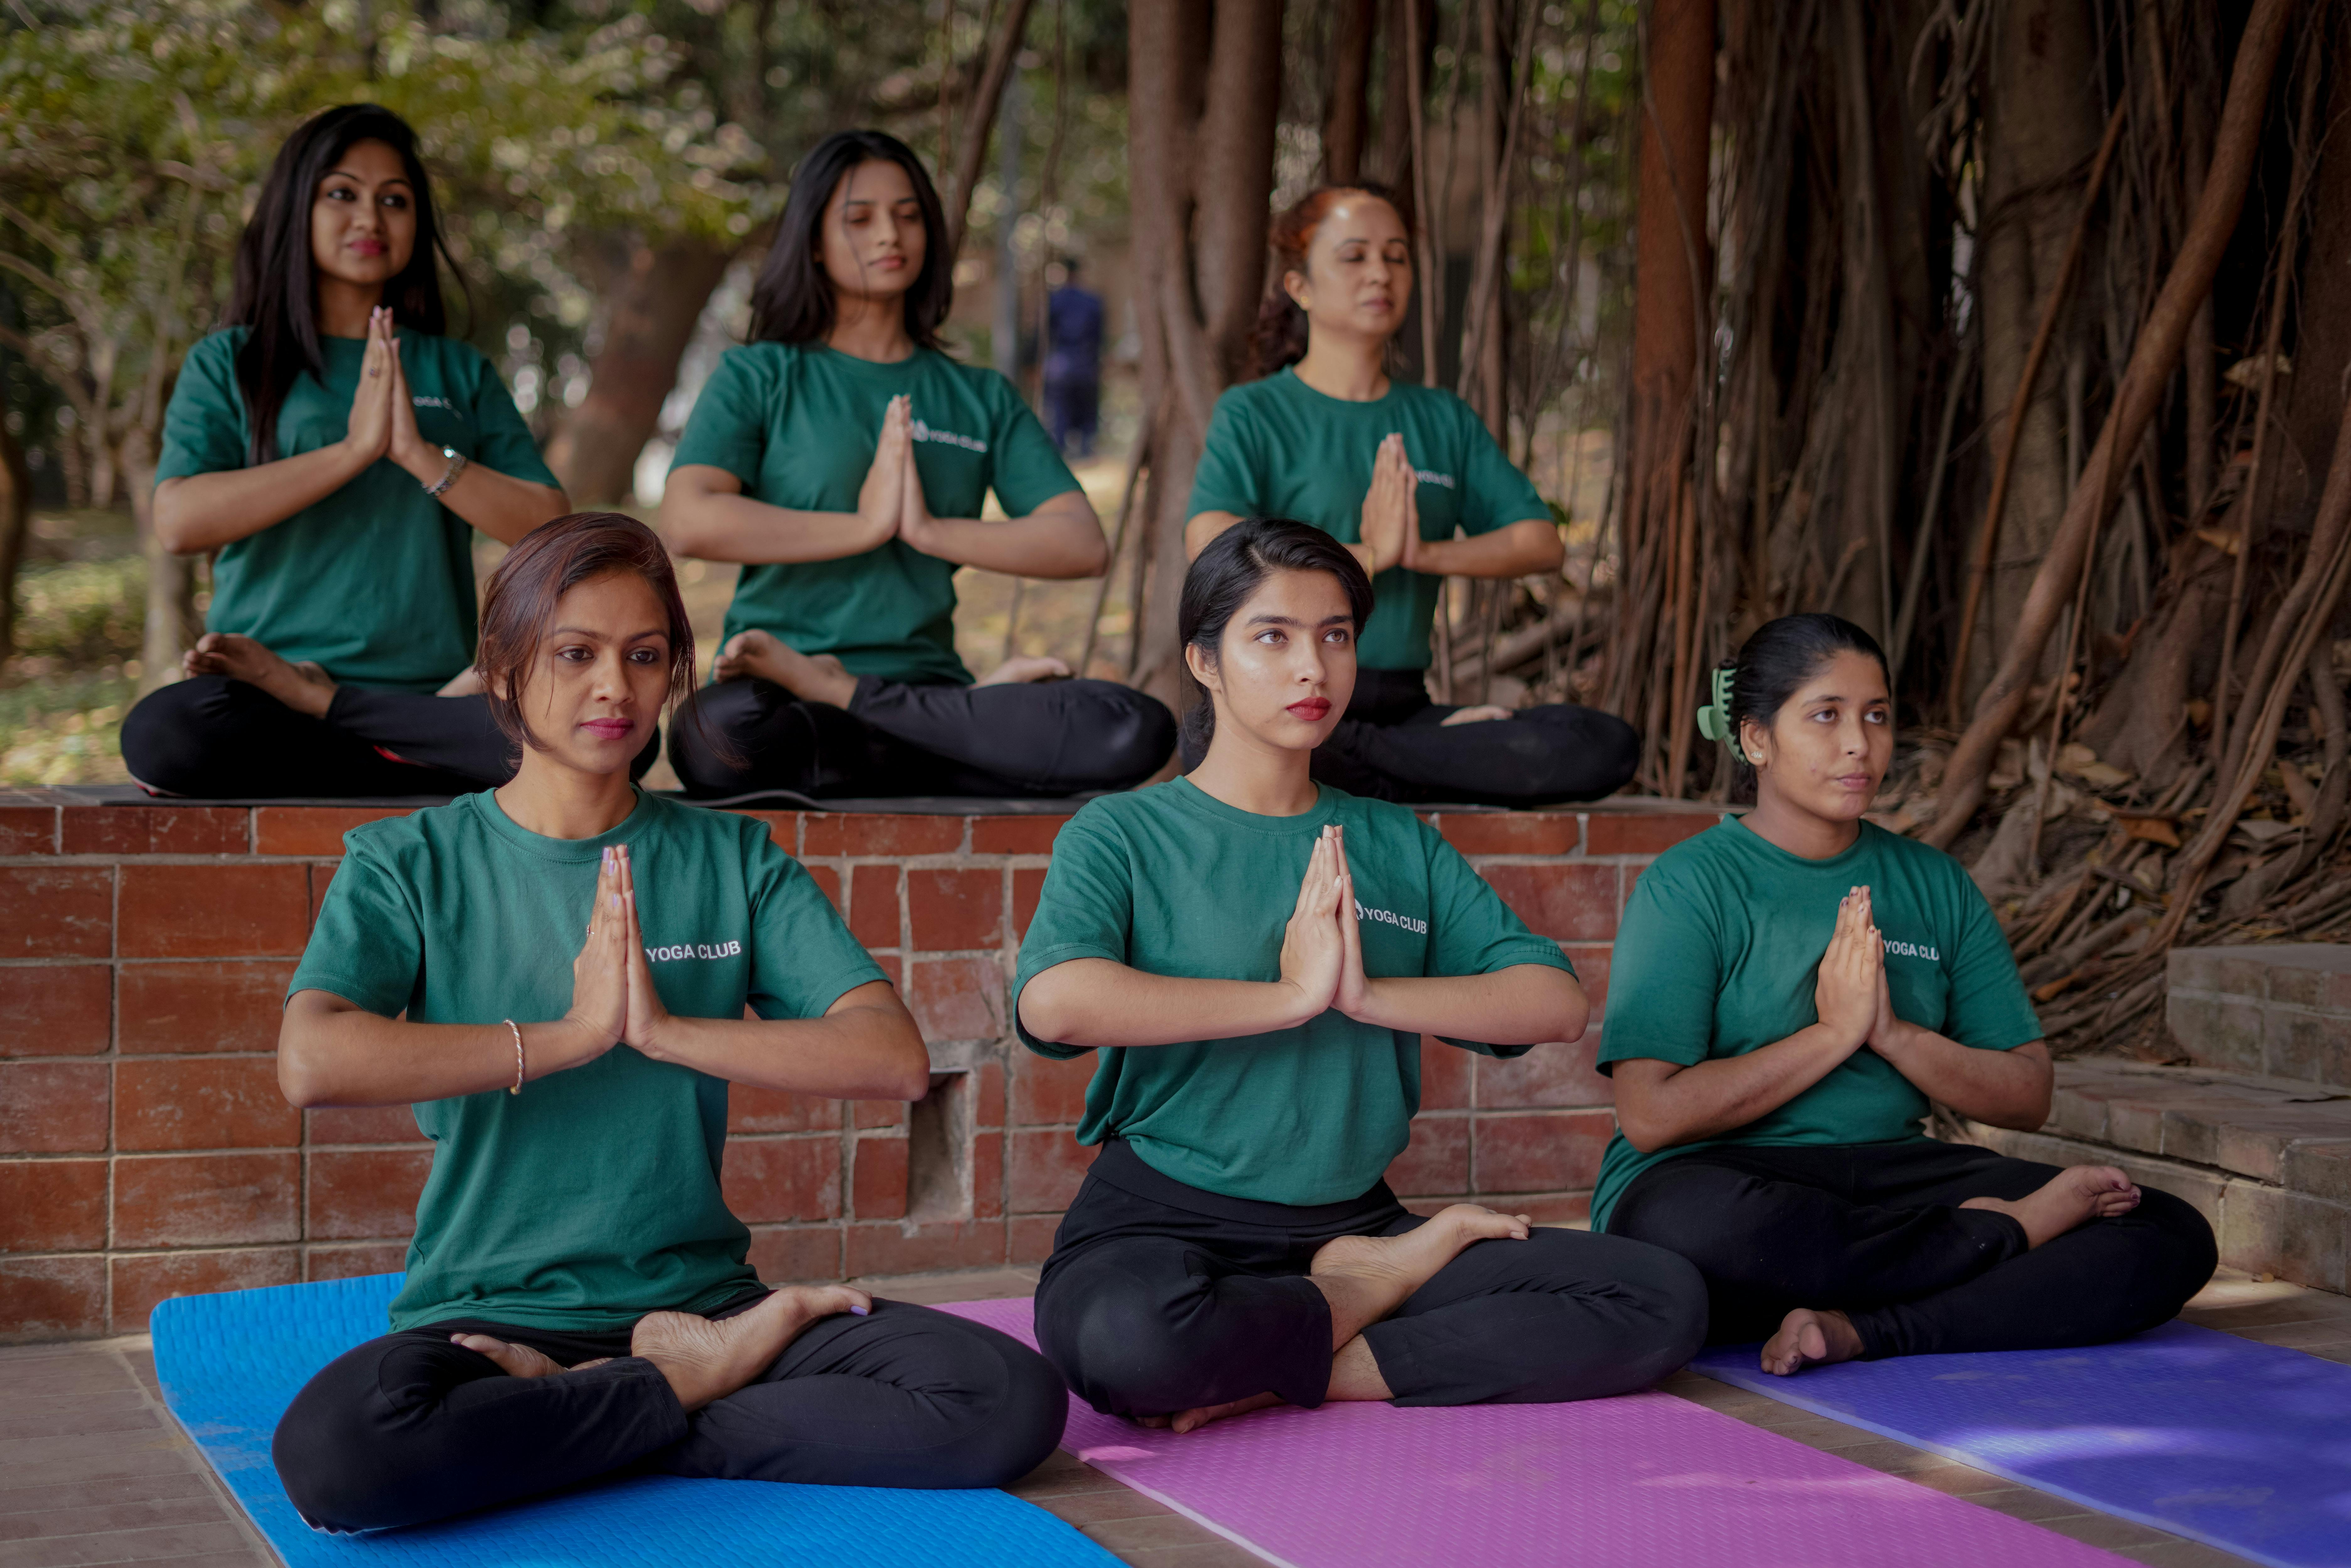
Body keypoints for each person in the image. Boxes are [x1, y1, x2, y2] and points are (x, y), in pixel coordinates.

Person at [267, 513, 1066, 1531]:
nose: (616, 686)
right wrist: (573, 1032)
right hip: (488, 1309)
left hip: (703, 1302)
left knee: (1004, 1397)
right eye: (576, 654)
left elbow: (893, 1058)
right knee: (338, 1456)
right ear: (504, 670)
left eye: (645, 656)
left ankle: (601, 1406)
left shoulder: (732, 859)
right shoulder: (408, 860)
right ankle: (673, 1390)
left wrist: (663, 1027)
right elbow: (312, 1057)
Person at [1014, 516, 1707, 1432]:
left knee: (1659, 1297)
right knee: (1127, 1342)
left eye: (1334, 636)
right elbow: (1057, 999)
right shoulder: (1124, 833)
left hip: (1358, 1226)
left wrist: (1363, 993)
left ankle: (1317, 1351)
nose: (1314, 668)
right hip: (1165, 1227)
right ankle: (1343, 1308)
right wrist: (1288, 998)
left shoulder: (1393, 840)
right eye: (1274, 637)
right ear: (1205, 661)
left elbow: (1553, 1000)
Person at [1593, 613, 2217, 1376]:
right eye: (1826, 715)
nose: (1859, 742)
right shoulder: (1690, 883)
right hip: (1724, 1178)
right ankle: (1992, 1242)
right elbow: (1651, 1114)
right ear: (1756, 739)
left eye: (1876, 715)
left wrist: (1893, 1033)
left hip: (1893, 1178)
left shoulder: (1933, 881)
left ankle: (1867, 1328)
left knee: (2165, 1228)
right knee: (1684, 1225)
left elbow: (2025, 1094)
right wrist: (1831, 1033)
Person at [659, 130, 1173, 800]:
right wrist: (866, 523)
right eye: (860, 218)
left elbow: (1079, 542)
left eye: (907, 215)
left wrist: (926, 530)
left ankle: (878, 708)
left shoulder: (978, 395)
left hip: (927, 688)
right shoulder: (760, 373)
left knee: (1135, 727)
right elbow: (688, 519)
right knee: (715, 738)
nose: (889, 234)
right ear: (813, 239)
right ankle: (943, 741)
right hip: (784, 687)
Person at [120, 103, 606, 799]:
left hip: (432, 698)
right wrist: (353, 450)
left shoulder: (456, 371)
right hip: (271, 691)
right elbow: (178, 520)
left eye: (395, 200)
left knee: (614, 734)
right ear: (297, 208)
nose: (370, 219)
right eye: (342, 193)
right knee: (167, 733)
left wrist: (417, 454)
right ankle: (398, 758)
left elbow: (548, 527)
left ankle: (375, 736)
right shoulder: (232, 361)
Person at [1184, 185, 1636, 808]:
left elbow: (1539, 540)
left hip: (1400, 705)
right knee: (1247, 738)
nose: (1380, 272)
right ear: (1300, 286)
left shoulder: (1439, 417)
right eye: (1355, 256)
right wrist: (1368, 553)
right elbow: (1206, 537)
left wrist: (1419, 551)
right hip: (1280, 700)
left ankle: (1372, 757)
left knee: (1599, 743)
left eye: (1396, 256)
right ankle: (1419, 762)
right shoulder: (1255, 411)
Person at [1041, 258, 1103, 458]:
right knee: (1086, 411)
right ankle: (1086, 451)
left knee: (1060, 411)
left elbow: (1041, 335)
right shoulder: (1093, 301)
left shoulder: (1054, 300)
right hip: (1086, 364)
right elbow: (1100, 337)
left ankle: (1061, 453)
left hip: (1061, 364)